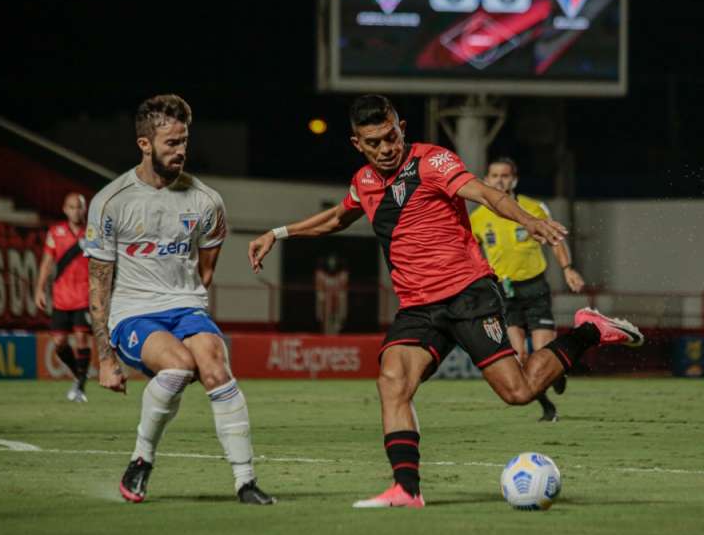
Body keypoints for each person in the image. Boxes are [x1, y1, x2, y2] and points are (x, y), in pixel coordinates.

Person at [248, 94, 643, 508]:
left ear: (401, 126)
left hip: (467, 293)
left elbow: (487, 194)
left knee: (519, 391)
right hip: (419, 307)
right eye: (374, 142)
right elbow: (335, 218)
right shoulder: (364, 182)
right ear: (357, 144)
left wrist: (529, 220)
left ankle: (588, 330)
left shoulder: (431, 162)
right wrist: (277, 234)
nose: (385, 149)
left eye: (390, 137)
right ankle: (407, 489)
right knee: (392, 380)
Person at [84, 94, 274, 505]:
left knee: (215, 365)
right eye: (171, 143)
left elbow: (206, 271)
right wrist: (104, 358)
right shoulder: (110, 202)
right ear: (144, 144)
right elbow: (98, 285)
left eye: (184, 140)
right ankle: (141, 460)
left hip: (186, 307)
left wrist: (192, 306)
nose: (181, 150)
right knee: (177, 367)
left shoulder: (206, 201)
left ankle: (246, 482)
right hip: (133, 312)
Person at [471, 157, 592, 422]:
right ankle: (548, 407)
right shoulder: (478, 218)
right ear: (487, 180)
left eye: (505, 175)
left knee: (541, 353)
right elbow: (468, 252)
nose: (500, 180)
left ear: (514, 179)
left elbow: (555, 239)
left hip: (535, 288)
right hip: (504, 292)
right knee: (518, 359)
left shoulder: (531, 208)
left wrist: (568, 268)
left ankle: (558, 368)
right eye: (494, 176)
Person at [35, 193, 92, 402]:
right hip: (61, 298)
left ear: (84, 209)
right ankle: (79, 374)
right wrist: (39, 289)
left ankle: (81, 388)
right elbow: (47, 263)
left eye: (79, 207)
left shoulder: (93, 233)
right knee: (59, 342)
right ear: (64, 209)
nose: (75, 211)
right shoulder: (55, 233)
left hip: (85, 297)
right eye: (71, 207)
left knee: (81, 338)